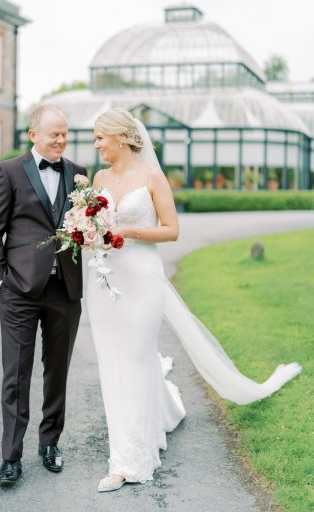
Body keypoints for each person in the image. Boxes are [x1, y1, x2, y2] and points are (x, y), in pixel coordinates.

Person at [86, 108, 301, 493]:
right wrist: (87, 233)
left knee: (136, 358)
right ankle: (151, 420)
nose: (96, 144)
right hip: (104, 281)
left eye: (101, 137)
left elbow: (172, 231)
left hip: (142, 279)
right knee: (112, 362)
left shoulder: (152, 176)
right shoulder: (99, 178)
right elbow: (91, 221)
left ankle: (128, 460)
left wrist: (127, 230)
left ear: (121, 137)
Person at [0, 105, 87, 486]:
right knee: (16, 375)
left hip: (65, 290)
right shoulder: (9, 171)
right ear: (33, 135)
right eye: (53, 134)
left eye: (64, 134)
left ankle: (50, 444)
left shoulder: (79, 175)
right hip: (18, 292)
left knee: (57, 372)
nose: (60, 140)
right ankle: (11, 457)